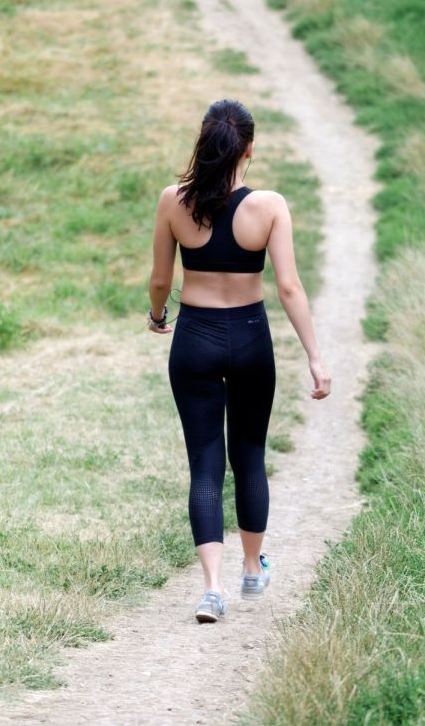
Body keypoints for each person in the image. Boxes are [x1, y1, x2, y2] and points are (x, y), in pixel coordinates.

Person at [146, 98, 332, 624]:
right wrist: (316, 358)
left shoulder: (172, 201)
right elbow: (290, 287)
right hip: (250, 338)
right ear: (249, 148)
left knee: (204, 464)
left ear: (203, 143)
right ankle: (252, 569)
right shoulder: (269, 206)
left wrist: (159, 314)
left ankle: (211, 589)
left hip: (196, 339)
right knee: (248, 455)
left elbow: (162, 279)